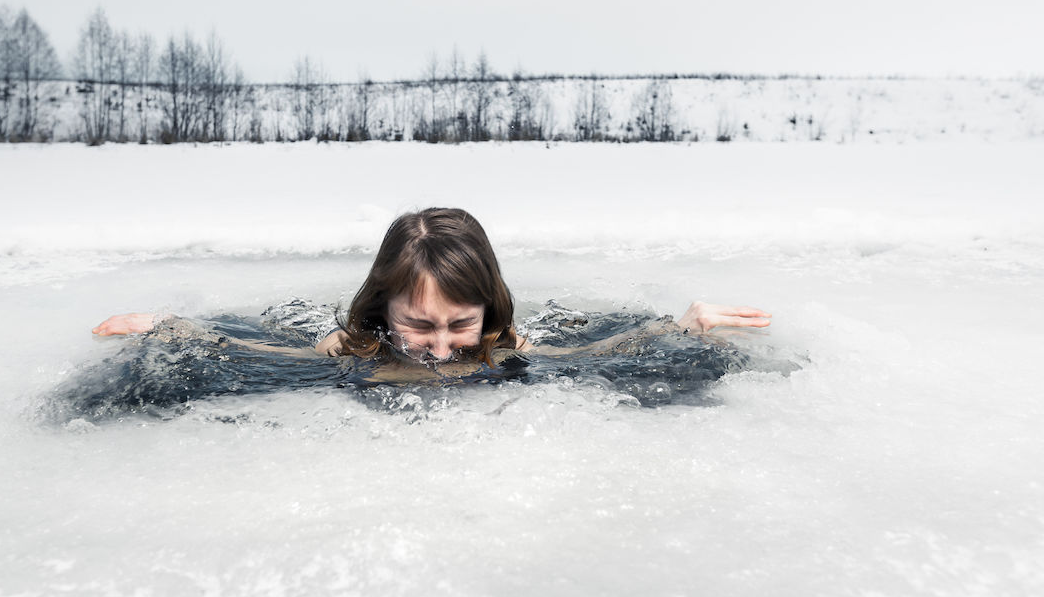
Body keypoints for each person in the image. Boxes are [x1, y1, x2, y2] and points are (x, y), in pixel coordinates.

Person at [92, 208, 771, 375]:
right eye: (420, 323)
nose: (442, 348)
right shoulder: (354, 342)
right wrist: (171, 328)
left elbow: (590, 359)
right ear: (384, 307)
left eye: (459, 323)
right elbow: (259, 354)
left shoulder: (504, 343)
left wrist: (677, 329)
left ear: (488, 311)